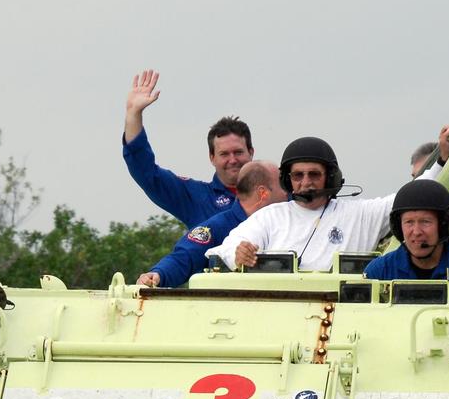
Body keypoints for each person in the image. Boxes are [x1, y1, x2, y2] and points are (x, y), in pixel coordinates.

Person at [206, 136, 393, 272]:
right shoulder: (270, 216)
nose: (305, 182)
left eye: (314, 174)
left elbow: (414, 194)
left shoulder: (362, 215)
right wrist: (238, 254)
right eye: (298, 175)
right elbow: (227, 248)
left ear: (330, 178)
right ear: (287, 180)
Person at [123, 69, 254, 227]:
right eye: (224, 154)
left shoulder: (275, 193)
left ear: (251, 152)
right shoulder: (196, 197)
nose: (232, 160)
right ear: (212, 157)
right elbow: (146, 173)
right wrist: (133, 114)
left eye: (238, 152)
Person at [137, 161, 284, 288]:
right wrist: (158, 274)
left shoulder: (289, 222)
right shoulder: (219, 226)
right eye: (283, 186)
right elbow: (185, 257)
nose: (289, 192)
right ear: (263, 193)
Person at [363, 180, 449, 281]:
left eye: (425, 222)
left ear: (443, 226)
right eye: (409, 222)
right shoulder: (378, 272)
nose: (416, 232)